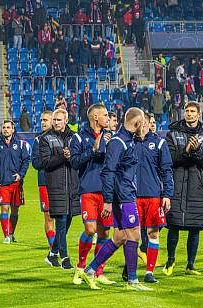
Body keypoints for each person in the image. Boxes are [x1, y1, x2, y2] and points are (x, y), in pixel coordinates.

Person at [76, 107, 151, 291]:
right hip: (122, 196)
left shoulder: (128, 141)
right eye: (145, 123)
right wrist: (108, 201)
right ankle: (132, 281)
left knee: (119, 237)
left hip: (125, 194)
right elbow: (108, 171)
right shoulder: (119, 142)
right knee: (134, 234)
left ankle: (91, 270)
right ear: (138, 123)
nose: (146, 126)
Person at [162, 101, 203, 276]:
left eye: (193, 111)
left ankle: (190, 265)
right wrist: (186, 150)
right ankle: (170, 261)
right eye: (187, 111)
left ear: (199, 115)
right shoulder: (172, 134)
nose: (189, 114)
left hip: (196, 186)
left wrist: (197, 151)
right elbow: (169, 159)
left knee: (195, 226)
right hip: (176, 184)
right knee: (174, 225)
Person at [68, 103, 115, 284]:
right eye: (104, 115)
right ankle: (80, 268)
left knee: (104, 233)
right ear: (95, 118)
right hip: (88, 190)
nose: (107, 119)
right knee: (90, 229)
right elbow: (74, 162)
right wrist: (93, 151)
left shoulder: (110, 137)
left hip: (106, 191)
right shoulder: (79, 138)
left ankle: (97, 271)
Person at [130, 113, 173, 283]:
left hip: (154, 196)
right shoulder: (128, 143)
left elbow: (167, 171)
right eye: (141, 123)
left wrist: (167, 194)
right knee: (132, 235)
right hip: (131, 196)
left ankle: (149, 272)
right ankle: (130, 270)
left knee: (153, 233)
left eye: (147, 123)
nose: (145, 125)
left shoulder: (160, 143)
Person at [37, 108, 80, 271]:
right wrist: (63, 156)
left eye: (59, 120)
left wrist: (72, 157)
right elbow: (46, 163)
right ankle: (65, 258)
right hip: (55, 185)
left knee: (67, 220)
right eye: (54, 120)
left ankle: (52, 254)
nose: (55, 123)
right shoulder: (45, 138)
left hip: (72, 185)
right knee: (61, 221)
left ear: (66, 121)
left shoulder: (75, 137)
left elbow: (78, 159)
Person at [0, 120, 30, 243]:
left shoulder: (21, 145)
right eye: (4, 127)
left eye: (8, 127)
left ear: (13, 130)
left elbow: (26, 161)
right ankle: (6, 235)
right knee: (4, 208)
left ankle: (11, 233)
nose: (6, 129)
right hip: (2, 183)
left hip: (16, 184)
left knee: (15, 211)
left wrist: (21, 175)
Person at [31, 111, 57, 257]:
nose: (43, 122)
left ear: (53, 120)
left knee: (61, 216)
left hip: (60, 182)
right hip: (45, 182)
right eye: (41, 120)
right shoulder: (38, 140)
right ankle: (53, 247)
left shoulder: (61, 138)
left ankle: (59, 245)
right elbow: (35, 162)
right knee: (48, 216)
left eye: (46, 120)